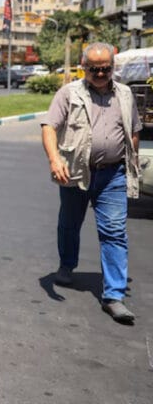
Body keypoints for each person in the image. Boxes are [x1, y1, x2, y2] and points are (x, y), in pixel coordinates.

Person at [40, 42, 142, 324]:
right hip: (75, 172)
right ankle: (66, 265)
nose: (100, 73)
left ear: (112, 67)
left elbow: (133, 129)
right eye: (94, 68)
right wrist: (54, 159)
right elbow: (49, 126)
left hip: (113, 175)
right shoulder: (68, 93)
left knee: (114, 231)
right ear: (83, 67)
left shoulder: (124, 94)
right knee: (70, 224)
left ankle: (114, 296)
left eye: (105, 68)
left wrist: (129, 161)